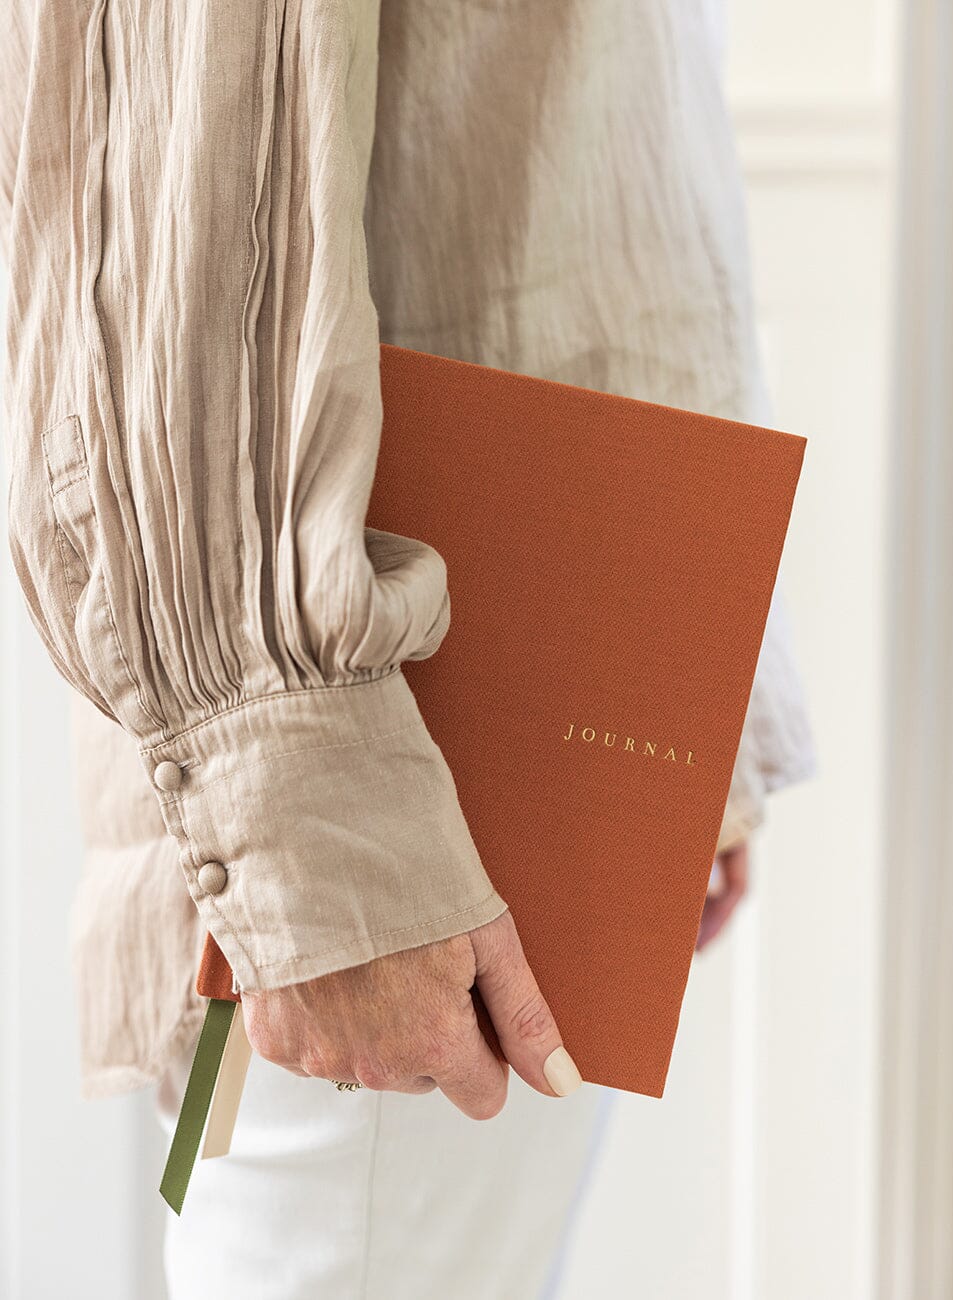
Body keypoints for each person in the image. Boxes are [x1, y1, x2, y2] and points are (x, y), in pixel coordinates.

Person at [1, 1, 814, 1295]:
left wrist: (699, 719)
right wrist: (302, 818)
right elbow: (173, 174)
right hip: (389, 773)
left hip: (533, 683)